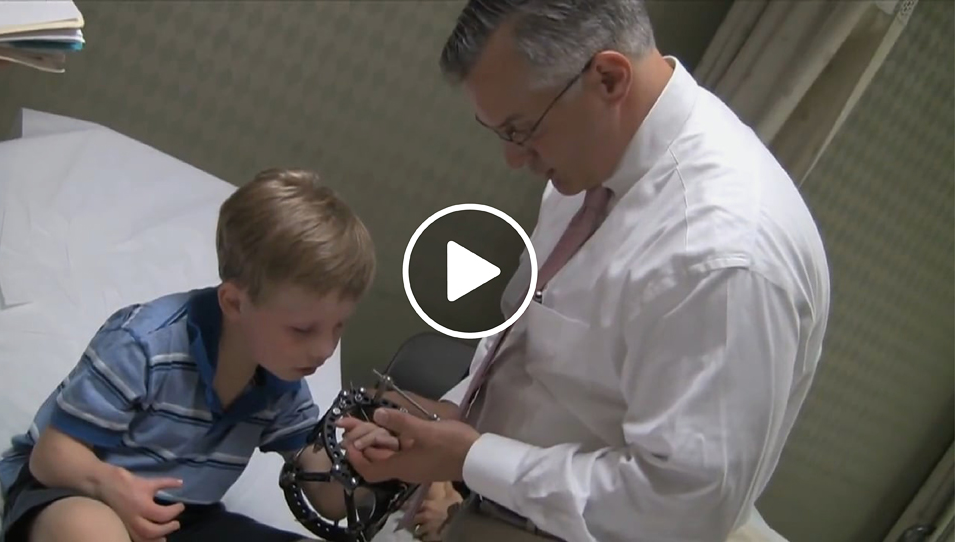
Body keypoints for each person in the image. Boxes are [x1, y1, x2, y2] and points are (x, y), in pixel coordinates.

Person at [341, 1, 831, 541]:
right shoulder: (594, 166)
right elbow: (534, 341)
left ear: (609, 78)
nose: (512, 158)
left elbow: (675, 511)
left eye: (522, 130)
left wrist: (475, 458)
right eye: (499, 131)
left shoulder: (721, 257)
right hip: (499, 493)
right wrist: (453, 418)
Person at [0, 168, 399, 542]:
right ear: (235, 304)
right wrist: (107, 484)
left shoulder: (283, 382)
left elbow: (325, 495)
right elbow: (50, 458)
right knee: (89, 530)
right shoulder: (143, 345)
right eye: (302, 330)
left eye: (339, 328)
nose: (325, 349)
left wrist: (369, 470)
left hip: (184, 517)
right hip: (76, 492)